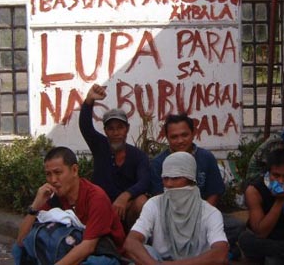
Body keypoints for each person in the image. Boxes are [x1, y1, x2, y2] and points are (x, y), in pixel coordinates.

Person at [149, 113, 244, 258]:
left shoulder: (206, 158)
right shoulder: (158, 163)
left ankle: (215, 249)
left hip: (202, 214)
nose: (180, 140)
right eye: (174, 137)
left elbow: (214, 192)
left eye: (184, 135)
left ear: (193, 134)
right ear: (167, 138)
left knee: (237, 225)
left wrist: (199, 217)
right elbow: (159, 197)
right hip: (171, 217)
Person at [12, 146, 125, 264]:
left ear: (74, 170)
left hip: (100, 252)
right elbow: (21, 241)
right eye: (48, 174)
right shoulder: (54, 197)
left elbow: (88, 246)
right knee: (19, 250)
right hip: (70, 245)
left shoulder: (96, 197)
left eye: (58, 172)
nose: (53, 180)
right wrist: (35, 206)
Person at [124, 151, 229, 264]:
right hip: (159, 262)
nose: (168, 184)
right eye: (165, 178)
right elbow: (131, 242)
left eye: (175, 178)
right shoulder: (154, 204)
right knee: (145, 252)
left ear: (191, 179)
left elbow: (220, 253)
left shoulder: (210, 213)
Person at [79, 83, 150, 230]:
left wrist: (125, 196)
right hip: (100, 209)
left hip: (126, 211)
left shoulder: (138, 156)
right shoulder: (100, 146)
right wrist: (89, 100)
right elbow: (85, 126)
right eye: (111, 128)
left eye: (120, 127)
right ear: (105, 131)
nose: (116, 132)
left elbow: (145, 181)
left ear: (127, 129)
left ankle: (133, 240)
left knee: (142, 201)